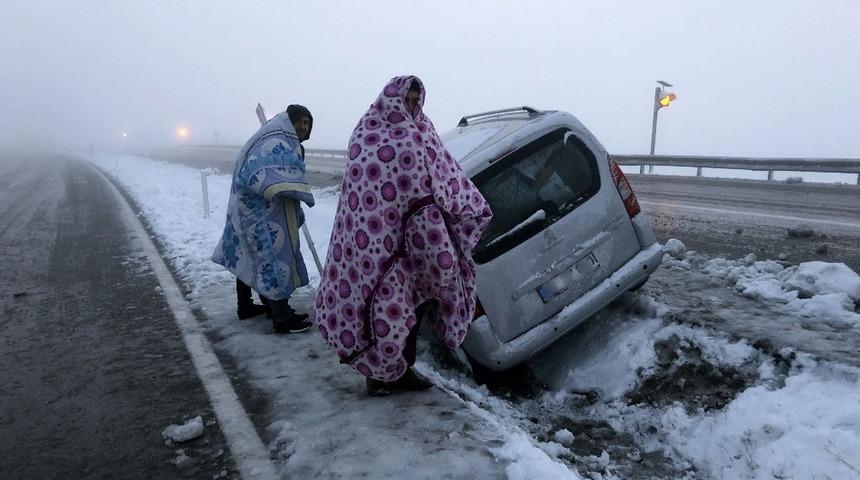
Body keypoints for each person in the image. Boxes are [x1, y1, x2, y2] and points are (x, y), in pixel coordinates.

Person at [314, 76, 492, 395]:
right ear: (391, 99)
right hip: (376, 239)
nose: (410, 106)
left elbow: (442, 171)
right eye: (406, 100)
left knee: (412, 308)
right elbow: (361, 184)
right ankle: (381, 374)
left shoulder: (424, 129)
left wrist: (463, 204)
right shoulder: (369, 131)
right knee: (380, 305)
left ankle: (400, 369)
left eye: (415, 100)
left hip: (420, 238)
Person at [212, 104, 315, 334]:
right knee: (272, 256)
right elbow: (257, 173)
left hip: (260, 209)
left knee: (251, 253)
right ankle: (282, 318)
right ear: (288, 121)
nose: (302, 126)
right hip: (259, 210)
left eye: (307, 123)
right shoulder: (276, 143)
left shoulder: (287, 144)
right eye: (298, 121)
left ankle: (250, 306)